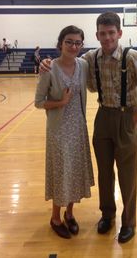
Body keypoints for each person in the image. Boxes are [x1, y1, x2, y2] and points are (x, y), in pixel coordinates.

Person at [40, 12, 137, 243]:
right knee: (104, 172)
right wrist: (47, 63)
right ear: (97, 35)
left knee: (127, 174)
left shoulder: (132, 57)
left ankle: (129, 221)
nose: (107, 38)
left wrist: (134, 118)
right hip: (103, 117)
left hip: (126, 117)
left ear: (119, 33)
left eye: (111, 32)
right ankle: (107, 215)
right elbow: (67, 59)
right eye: (102, 33)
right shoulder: (90, 58)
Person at [34, 25, 94, 239]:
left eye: (78, 42)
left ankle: (70, 214)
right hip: (58, 132)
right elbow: (38, 102)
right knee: (62, 173)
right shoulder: (49, 68)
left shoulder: (84, 65)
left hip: (78, 128)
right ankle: (55, 218)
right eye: (69, 41)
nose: (73, 46)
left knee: (75, 173)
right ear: (60, 43)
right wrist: (61, 101)